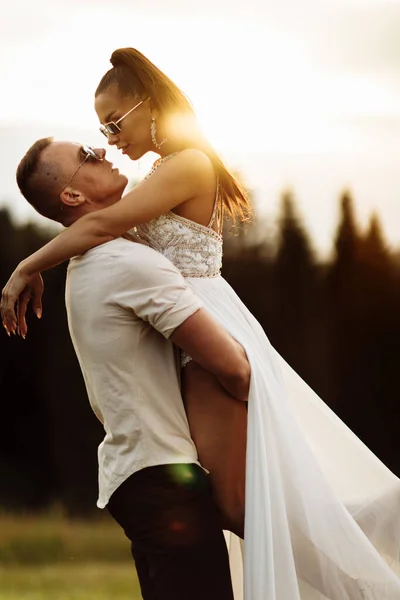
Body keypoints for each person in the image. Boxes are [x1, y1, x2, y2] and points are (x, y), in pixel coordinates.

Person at [2, 48, 400, 599]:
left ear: (149, 106)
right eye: (98, 134)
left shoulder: (188, 162)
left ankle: (373, 568)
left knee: (235, 505)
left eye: (113, 125)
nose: (110, 140)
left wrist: (26, 265)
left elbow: (103, 226)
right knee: (240, 502)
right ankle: (364, 531)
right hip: (189, 328)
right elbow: (101, 230)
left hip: (205, 326)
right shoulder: (160, 172)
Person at [10, 136, 252, 600]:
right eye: (86, 155)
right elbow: (234, 369)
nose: (101, 151)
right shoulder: (128, 264)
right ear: (73, 197)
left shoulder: (96, 261)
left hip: (145, 477)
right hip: (163, 480)